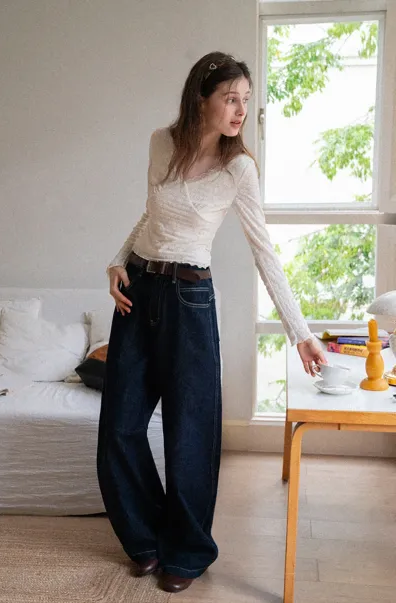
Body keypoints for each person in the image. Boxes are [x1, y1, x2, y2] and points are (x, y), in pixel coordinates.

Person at [97, 51, 326, 594]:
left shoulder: (238, 168)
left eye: (246, 100)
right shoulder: (160, 142)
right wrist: (116, 261)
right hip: (137, 292)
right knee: (119, 428)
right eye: (230, 99)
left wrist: (300, 333)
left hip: (190, 302)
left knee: (191, 435)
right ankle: (147, 538)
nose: (241, 110)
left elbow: (264, 252)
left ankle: (188, 550)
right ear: (201, 99)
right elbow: (151, 213)